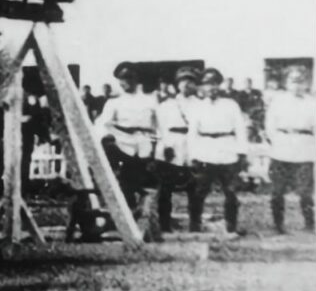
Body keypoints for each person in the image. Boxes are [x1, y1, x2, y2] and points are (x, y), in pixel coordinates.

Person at [187, 67, 249, 233]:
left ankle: (231, 225)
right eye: (207, 84)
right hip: (205, 152)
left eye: (215, 83)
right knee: (199, 191)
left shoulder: (231, 105)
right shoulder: (197, 107)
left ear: (220, 85)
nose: (211, 88)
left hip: (227, 151)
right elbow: (192, 133)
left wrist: (241, 152)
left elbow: (240, 129)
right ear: (202, 86)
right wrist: (193, 155)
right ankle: (194, 224)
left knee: (230, 192)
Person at [95, 62, 159, 208]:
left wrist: (157, 143)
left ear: (137, 79)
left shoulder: (150, 102)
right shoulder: (114, 103)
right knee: (125, 181)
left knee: (143, 182)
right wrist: (106, 136)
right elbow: (102, 124)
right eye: (123, 79)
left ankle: (141, 209)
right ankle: (126, 208)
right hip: (122, 142)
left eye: (130, 78)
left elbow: (158, 126)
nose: (126, 82)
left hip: (144, 143)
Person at [265, 66, 316, 233]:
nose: (296, 85)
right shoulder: (278, 101)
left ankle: (309, 224)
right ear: (287, 83)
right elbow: (270, 126)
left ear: (306, 83)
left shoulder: (313, 103)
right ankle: (278, 224)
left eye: (300, 81)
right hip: (281, 149)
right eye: (293, 81)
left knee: (305, 192)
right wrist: (278, 141)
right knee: (277, 191)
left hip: (304, 150)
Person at [155, 67, 200, 232]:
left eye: (191, 81)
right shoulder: (167, 105)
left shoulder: (201, 105)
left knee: (195, 190)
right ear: (177, 84)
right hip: (171, 146)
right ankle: (164, 225)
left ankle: (195, 224)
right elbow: (159, 128)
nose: (187, 85)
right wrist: (166, 146)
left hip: (192, 147)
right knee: (165, 190)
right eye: (183, 81)